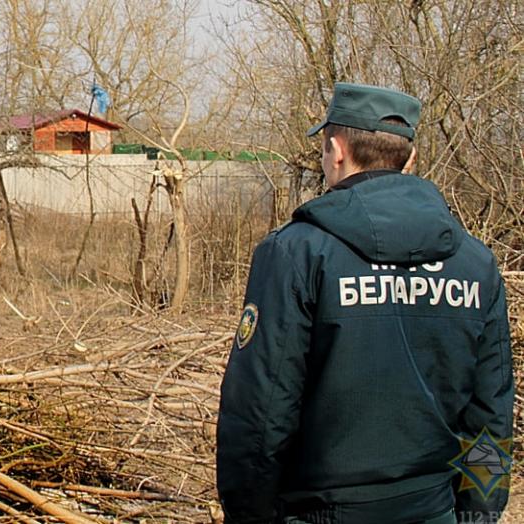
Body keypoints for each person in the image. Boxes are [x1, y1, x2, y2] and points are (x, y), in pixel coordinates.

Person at [216, 83, 512, 524]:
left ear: (336, 151)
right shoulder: (475, 263)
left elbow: (261, 407)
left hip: (319, 510)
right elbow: (490, 411)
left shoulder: (296, 252)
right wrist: (480, 511)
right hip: (434, 507)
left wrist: (249, 513)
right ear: (409, 160)